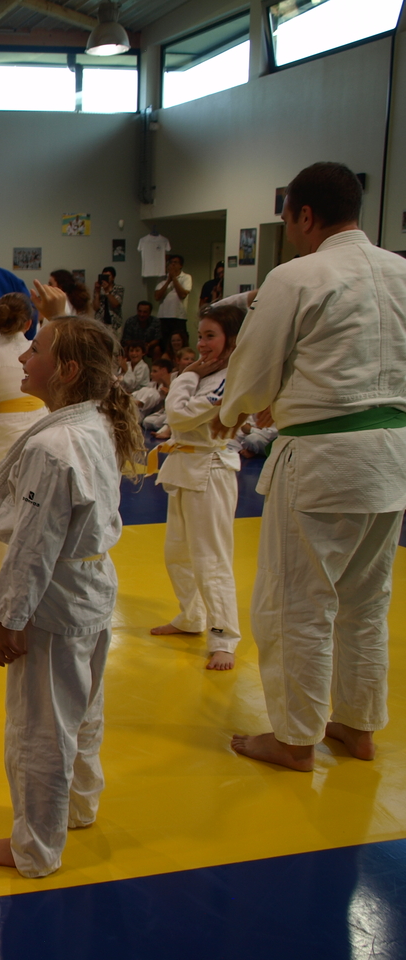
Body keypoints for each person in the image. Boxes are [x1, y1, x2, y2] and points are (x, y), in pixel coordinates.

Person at [215, 161, 406, 771]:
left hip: (325, 458)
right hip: (393, 456)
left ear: (304, 214)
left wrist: (235, 411)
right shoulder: (401, 271)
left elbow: (251, 371)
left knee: (298, 601)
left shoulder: (297, 275)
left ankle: (296, 738)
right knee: (366, 600)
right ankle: (357, 725)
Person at [0, 306, 144, 880]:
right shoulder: (95, 423)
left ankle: (36, 848)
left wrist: (8, 614)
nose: (24, 357)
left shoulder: (54, 447)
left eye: (37, 350)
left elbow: (33, 544)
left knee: (40, 731)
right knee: (83, 712)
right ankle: (78, 807)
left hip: (52, 597)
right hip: (91, 588)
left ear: (67, 370)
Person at [151, 303, 244, 671]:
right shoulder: (206, 373)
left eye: (211, 336)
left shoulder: (230, 375)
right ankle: (192, 616)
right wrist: (190, 376)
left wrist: (187, 374)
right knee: (177, 553)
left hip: (211, 469)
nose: (203, 344)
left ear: (231, 339)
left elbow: (178, 414)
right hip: (184, 465)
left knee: (211, 559)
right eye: (200, 336)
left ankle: (224, 637)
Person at [0, 293, 46, 591]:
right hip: (41, 424)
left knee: (7, 503)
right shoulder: (37, 350)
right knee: (38, 500)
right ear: (28, 323)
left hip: (6, 431)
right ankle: (38, 570)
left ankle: (8, 574)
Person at [154, 254, 192, 350]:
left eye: (175, 262)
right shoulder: (162, 278)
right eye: (171, 262)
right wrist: (168, 280)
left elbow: (183, 294)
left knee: (180, 344)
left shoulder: (186, 277)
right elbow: (157, 296)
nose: (173, 265)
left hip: (179, 317)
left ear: (181, 265)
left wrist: (174, 278)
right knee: (164, 344)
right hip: (163, 317)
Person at [92, 266, 125, 337]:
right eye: (104, 276)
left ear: (113, 277)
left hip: (114, 324)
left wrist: (107, 291)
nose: (105, 278)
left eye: (108, 276)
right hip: (100, 324)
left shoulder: (118, 288)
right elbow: (95, 308)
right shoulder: (99, 289)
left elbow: (115, 304)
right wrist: (97, 292)